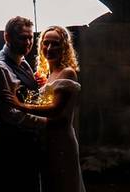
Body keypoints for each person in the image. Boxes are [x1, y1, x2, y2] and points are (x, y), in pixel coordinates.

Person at [11, 25, 85, 192]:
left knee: (63, 184)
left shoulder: (68, 73)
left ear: (64, 47)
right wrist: (40, 90)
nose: (49, 48)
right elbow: (44, 103)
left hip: (61, 140)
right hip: (46, 140)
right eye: (46, 43)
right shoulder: (48, 75)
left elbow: (55, 110)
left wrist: (20, 105)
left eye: (55, 43)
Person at [0, 16, 47, 192]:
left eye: (31, 37)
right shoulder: (1, 67)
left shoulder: (24, 62)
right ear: (7, 37)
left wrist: (41, 86)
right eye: (22, 37)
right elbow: (10, 113)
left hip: (27, 141)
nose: (28, 42)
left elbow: (30, 97)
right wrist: (45, 123)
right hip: (10, 143)